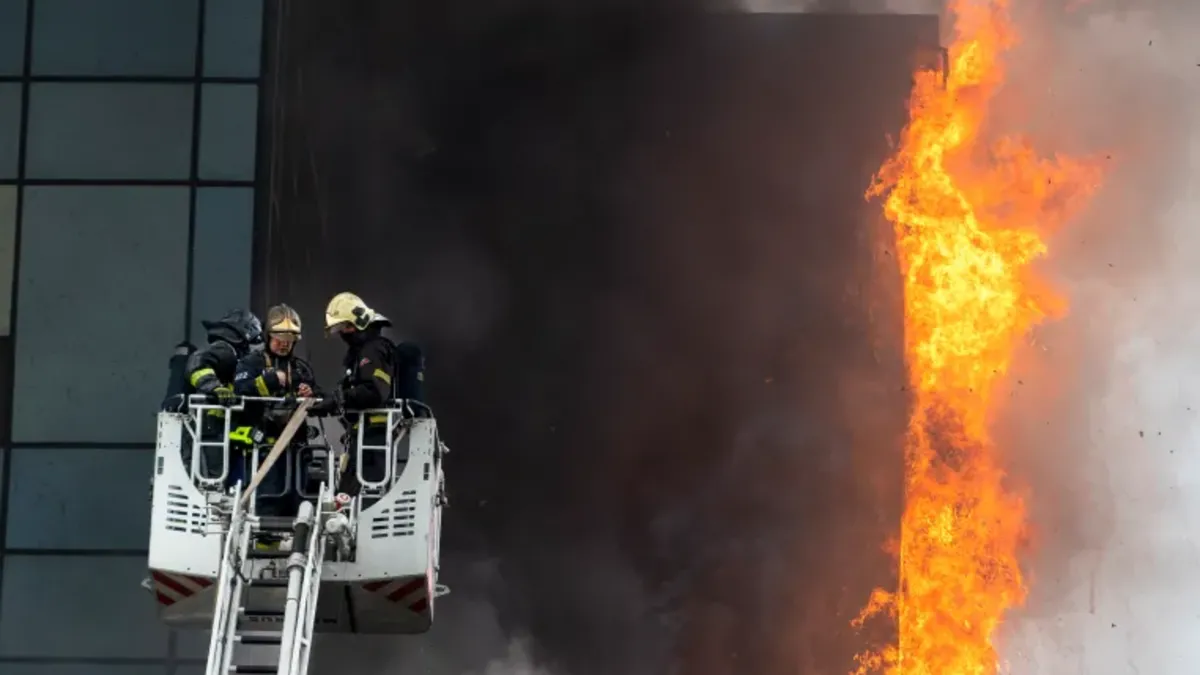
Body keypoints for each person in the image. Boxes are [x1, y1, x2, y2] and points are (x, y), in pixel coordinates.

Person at [312, 292, 425, 496]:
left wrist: (339, 399)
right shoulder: (364, 351)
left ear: (358, 323)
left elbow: (375, 392)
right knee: (347, 498)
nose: (343, 333)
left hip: (373, 441)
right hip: (366, 438)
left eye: (345, 327)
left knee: (356, 499)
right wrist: (324, 397)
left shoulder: (373, 351)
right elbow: (354, 390)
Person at [232, 303, 319, 517]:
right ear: (267, 335)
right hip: (263, 450)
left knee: (297, 506)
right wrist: (269, 381)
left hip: (296, 451)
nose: (284, 345)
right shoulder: (251, 363)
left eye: (289, 340)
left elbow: (319, 395)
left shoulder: (300, 368)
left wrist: (309, 393)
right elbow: (240, 390)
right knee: (266, 503)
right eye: (279, 339)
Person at [184, 309, 265, 484]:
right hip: (212, 427)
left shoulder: (237, 356)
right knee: (213, 480)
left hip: (224, 428)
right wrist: (214, 388)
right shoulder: (225, 350)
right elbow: (197, 363)